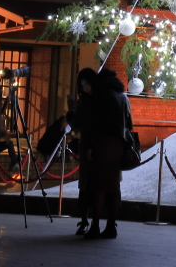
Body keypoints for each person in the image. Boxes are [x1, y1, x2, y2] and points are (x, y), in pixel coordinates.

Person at [83, 68, 132, 239]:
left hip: (104, 143)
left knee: (99, 187)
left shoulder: (101, 96)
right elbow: (129, 125)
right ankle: (111, 225)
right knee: (114, 185)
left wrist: (91, 146)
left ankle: (95, 225)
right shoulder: (124, 97)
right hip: (119, 145)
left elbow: (96, 124)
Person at [67, 67, 99, 235]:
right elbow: (77, 124)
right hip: (86, 144)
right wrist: (71, 114)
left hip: (98, 145)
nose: (86, 88)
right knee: (85, 185)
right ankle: (85, 220)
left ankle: (95, 220)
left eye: (88, 84)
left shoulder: (100, 99)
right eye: (83, 85)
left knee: (96, 184)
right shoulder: (83, 101)